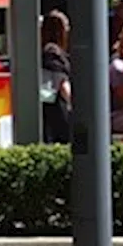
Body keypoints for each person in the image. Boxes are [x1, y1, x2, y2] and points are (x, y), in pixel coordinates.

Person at [40, 10, 73, 145]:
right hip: (57, 106)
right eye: (65, 26)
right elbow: (62, 82)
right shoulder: (53, 51)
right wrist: (72, 103)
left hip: (49, 104)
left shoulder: (46, 50)